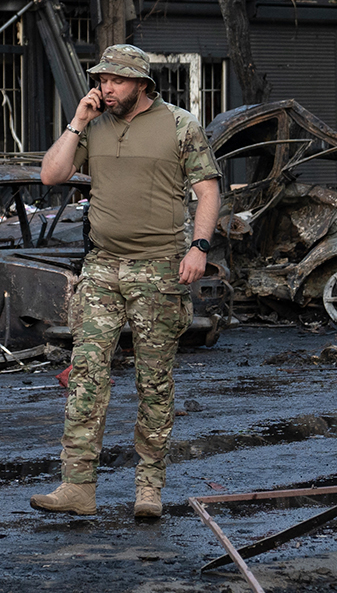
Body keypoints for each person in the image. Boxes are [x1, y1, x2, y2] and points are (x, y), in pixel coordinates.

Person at [29, 44, 221, 522]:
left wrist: (198, 247)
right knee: (86, 376)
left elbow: (208, 190)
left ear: (141, 83)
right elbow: (51, 174)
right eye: (102, 79)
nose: (106, 87)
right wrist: (77, 120)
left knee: (153, 382)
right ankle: (77, 486)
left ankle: (149, 488)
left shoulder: (180, 125)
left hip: (158, 268)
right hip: (102, 267)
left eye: (115, 80)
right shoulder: (93, 125)